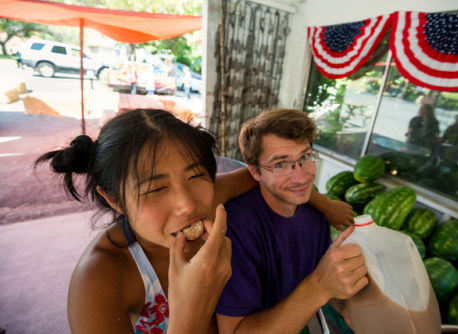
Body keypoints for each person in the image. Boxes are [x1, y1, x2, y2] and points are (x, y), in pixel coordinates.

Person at [33, 108, 353, 333]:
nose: (188, 205)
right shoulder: (99, 281)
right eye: (156, 187)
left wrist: (325, 204)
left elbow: (271, 175)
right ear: (114, 198)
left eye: (197, 175)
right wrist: (189, 314)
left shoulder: (212, 195)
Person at [216, 108, 368, 334]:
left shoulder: (316, 215)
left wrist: (347, 304)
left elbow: (319, 278)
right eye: (280, 164)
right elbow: (233, 331)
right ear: (255, 172)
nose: (301, 177)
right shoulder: (236, 228)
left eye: (305, 157)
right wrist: (319, 287)